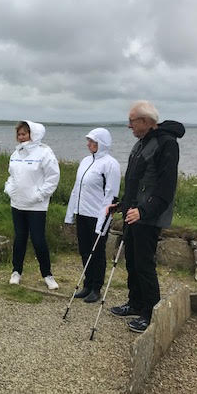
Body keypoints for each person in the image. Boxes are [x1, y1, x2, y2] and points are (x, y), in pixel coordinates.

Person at [108, 101, 184, 333]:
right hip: (133, 213)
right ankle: (135, 303)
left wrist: (144, 211)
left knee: (144, 264)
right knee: (131, 261)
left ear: (144, 121)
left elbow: (165, 187)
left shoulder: (166, 144)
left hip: (148, 216)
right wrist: (122, 204)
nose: (129, 126)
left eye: (131, 121)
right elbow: (136, 181)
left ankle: (150, 312)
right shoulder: (142, 143)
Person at [64, 128, 121, 303]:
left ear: (102, 143)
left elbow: (111, 194)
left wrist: (103, 220)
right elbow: (77, 188)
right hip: (82, 213)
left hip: (98, 215)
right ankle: (87, 284)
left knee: (97, 252)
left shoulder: (110, 164)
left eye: (93, 142)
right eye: (88, 141)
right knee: (84, 250)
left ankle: (97, 287)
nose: (89, 144)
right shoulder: (85, 161)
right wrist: (70, 213)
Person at [4, 120, 60, 290]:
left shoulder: (44, 153)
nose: (21, 137)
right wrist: (9, 189)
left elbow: (53, 177)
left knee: (38, 240)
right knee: (19, 238)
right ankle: (16, 272)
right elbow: (12, 176)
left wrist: (39, 195)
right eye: (19, 134)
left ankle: (47, 275)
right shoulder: (16, 154)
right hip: (17, 204)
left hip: (36, 206)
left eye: (24, 134)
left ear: (33, 134)